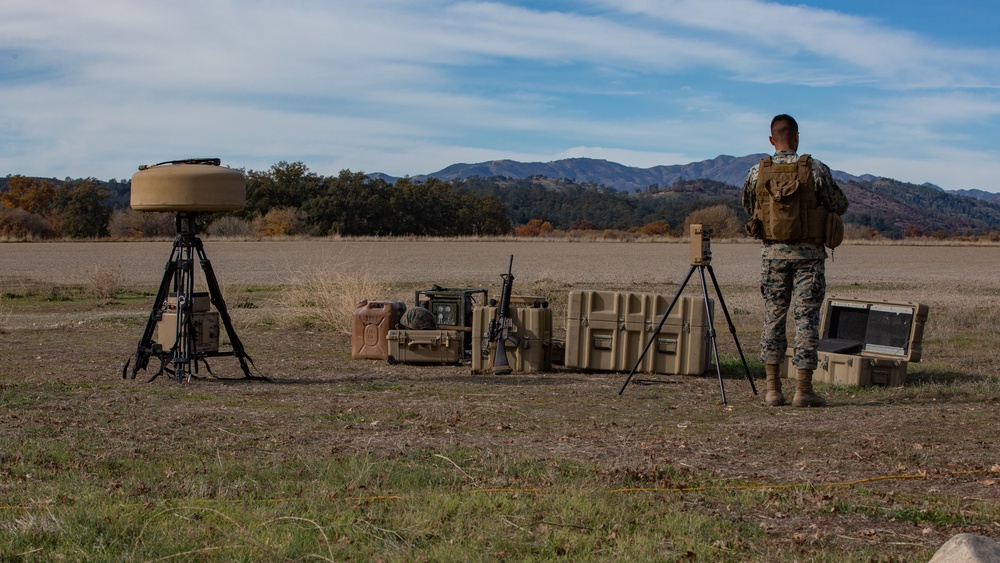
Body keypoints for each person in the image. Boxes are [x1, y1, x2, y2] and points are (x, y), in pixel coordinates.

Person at [742, 114, 848, 407]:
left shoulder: (756, 172)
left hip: (773, 257)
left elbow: (750, 207)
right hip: (809, 258)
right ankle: (804, 390)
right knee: (806, 320)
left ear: (771, 140)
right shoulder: (815, 169)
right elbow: (839, 204)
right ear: (797, 137)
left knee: (773, 318)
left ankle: (773, 390)